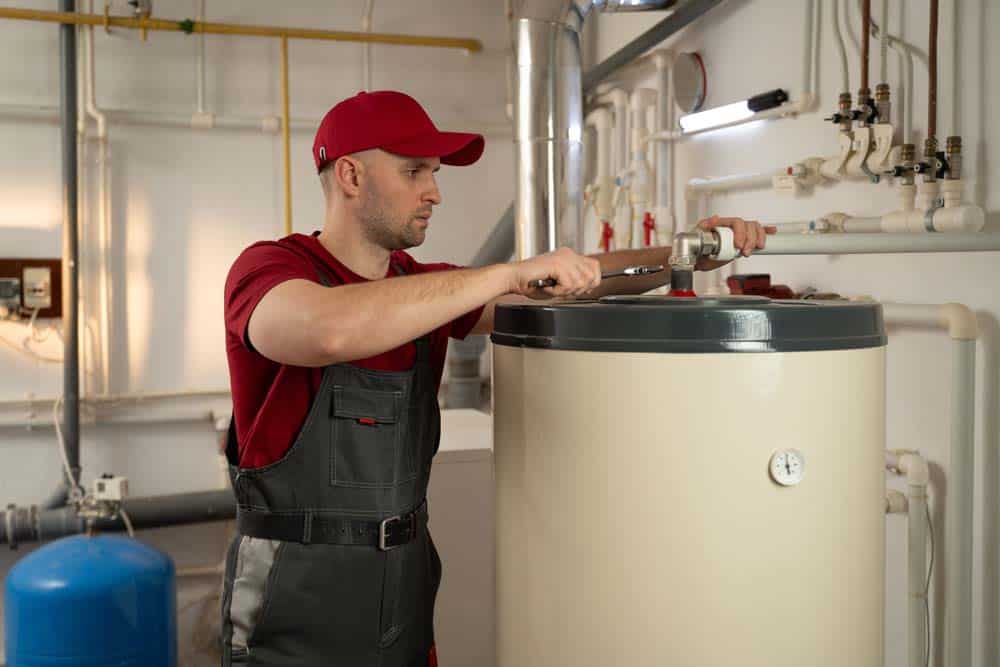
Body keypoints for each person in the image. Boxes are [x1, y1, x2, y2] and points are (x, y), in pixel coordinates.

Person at [220, 89, 770, 666]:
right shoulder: (270, 269)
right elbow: (324, 330)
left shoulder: (423, 289)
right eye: (414, 172)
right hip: (295, 594)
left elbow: (577, 283)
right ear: (351, 175)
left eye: (434, 173)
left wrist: (685, 257)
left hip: (400, 586)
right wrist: (504, 273)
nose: (434, 191)